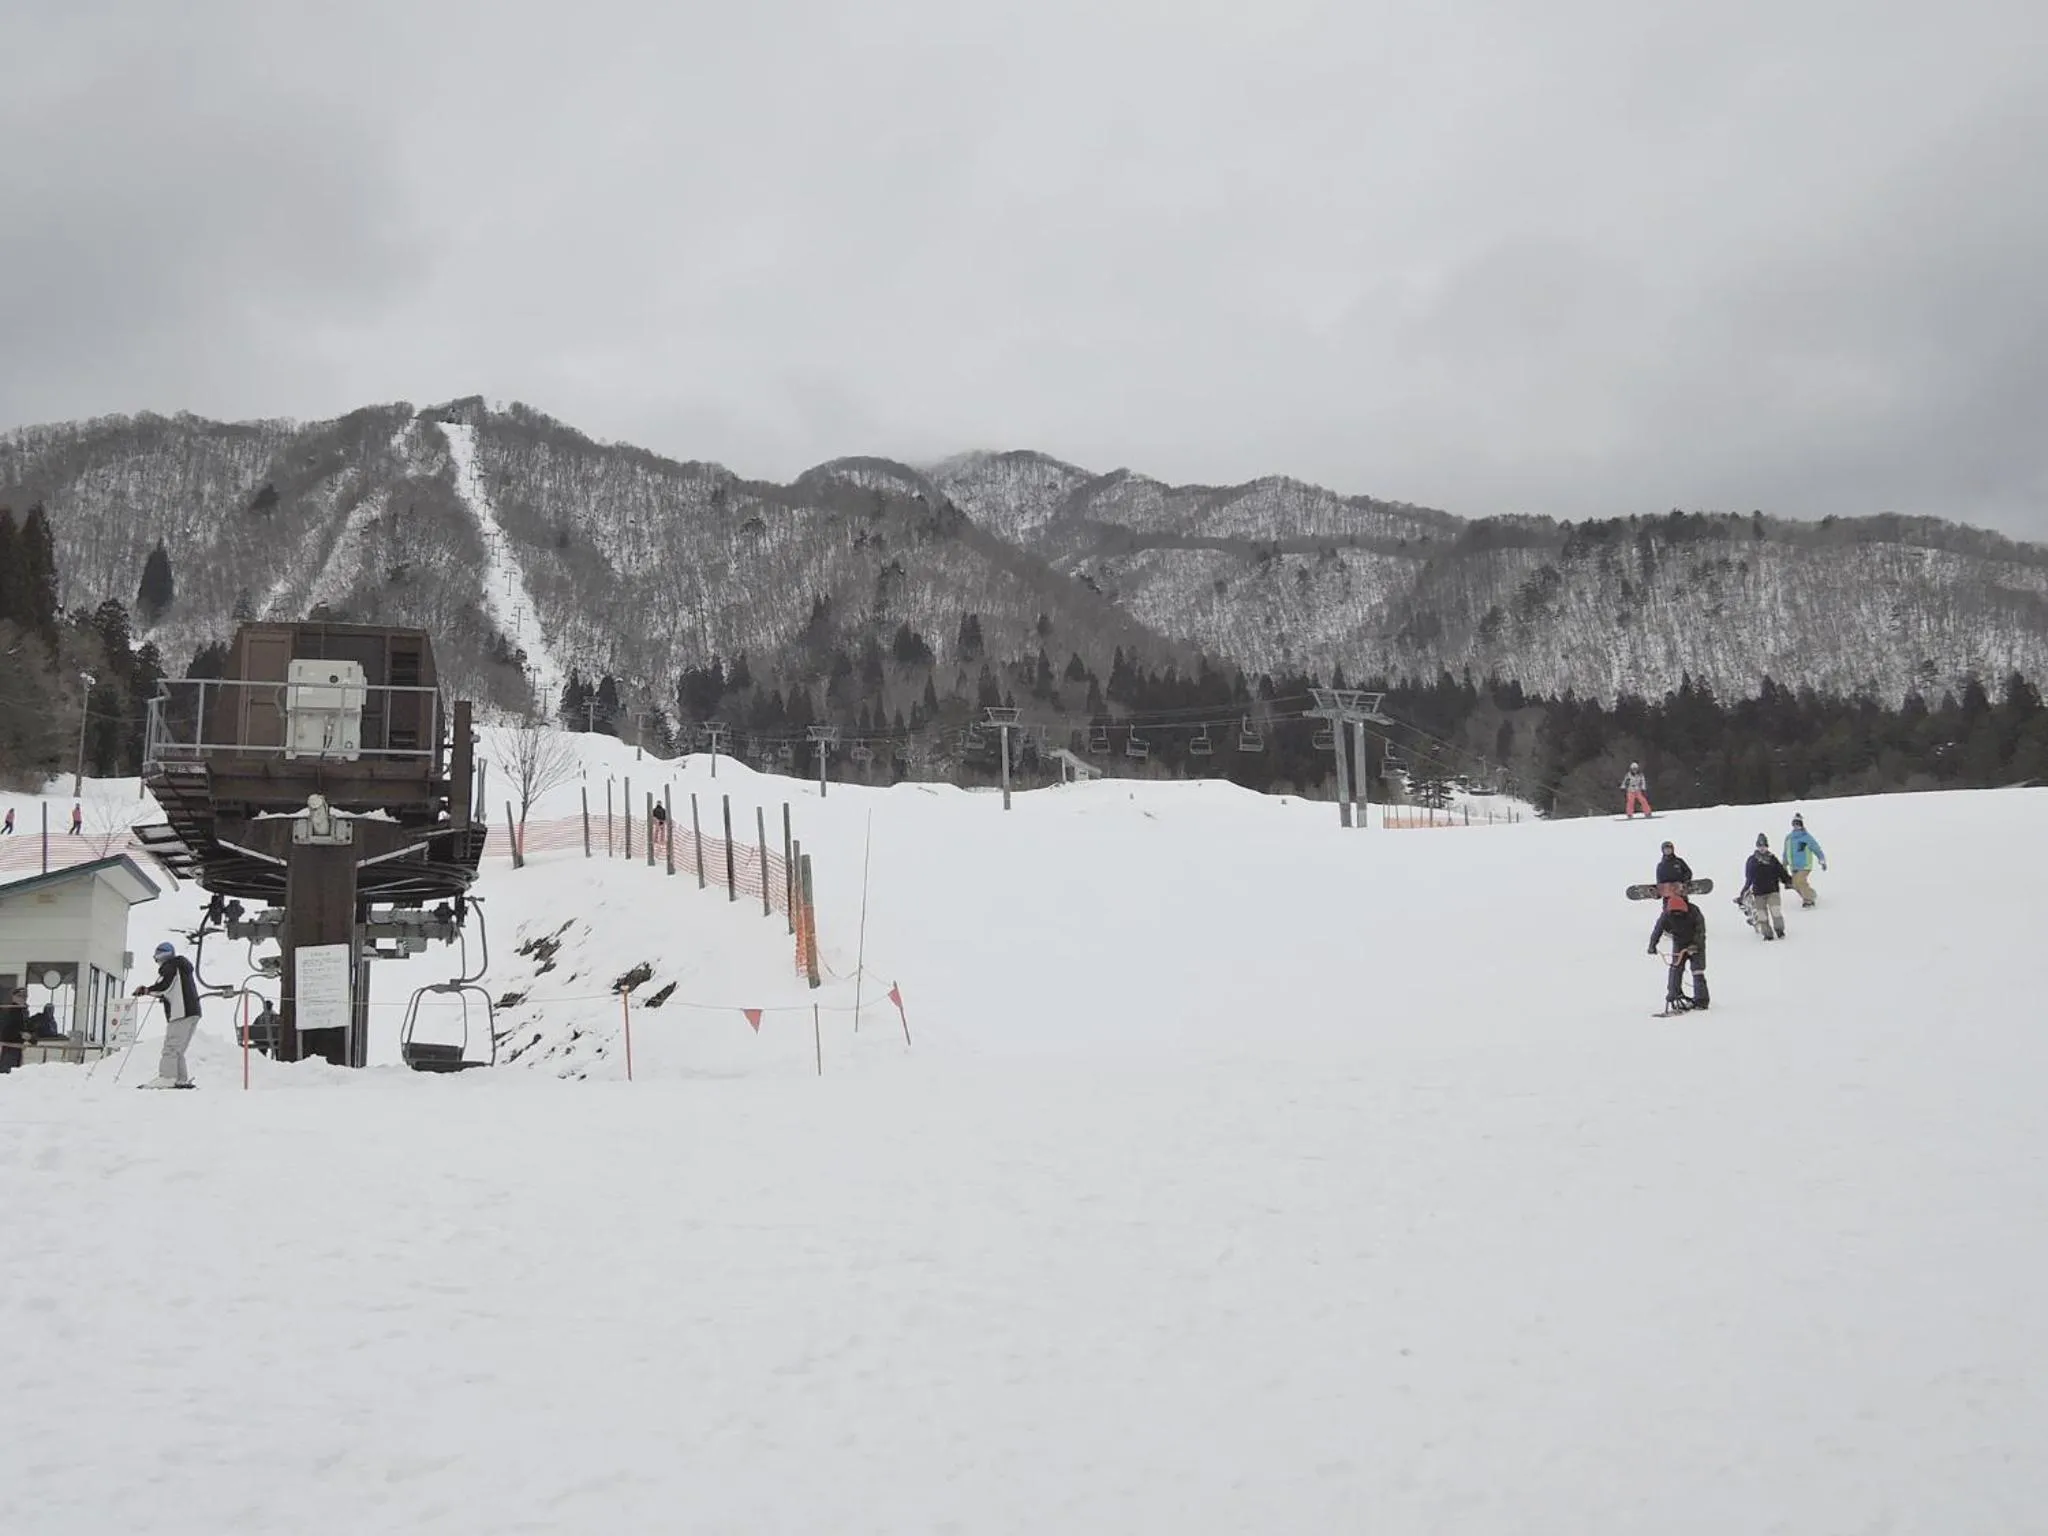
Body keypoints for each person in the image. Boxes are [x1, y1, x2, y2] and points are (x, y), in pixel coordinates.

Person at [132, 940, 201, 1089]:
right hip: (193, 1011)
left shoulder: (170, 967)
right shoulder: (182, 967)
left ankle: (167, 1077)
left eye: (156, 957)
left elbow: (164, 985)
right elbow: (170, 988)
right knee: (178, 1049)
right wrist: (157, 994)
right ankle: (180, 1079)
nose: (156, 961)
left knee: (171, 1047)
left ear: (161, 956)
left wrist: (146, 990)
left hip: (180, 1012)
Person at [1647, 884, 1709, 1013]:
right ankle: (1674, 994)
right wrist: (1652, 944)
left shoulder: (1694, 911)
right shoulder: (1666, 915)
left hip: (1696, 944)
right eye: (1674, 914)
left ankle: (1701, 1000)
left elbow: (1700, 931)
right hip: (1679, 943)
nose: (1677, 915)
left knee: (1697, 971)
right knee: (1675, 968)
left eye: (1679, 913)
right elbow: (1658, 929)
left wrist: (1695, 945)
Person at [1740, 833, 1793, 940]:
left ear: (1767, 846)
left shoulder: (1772, 859)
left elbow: (1781, 871)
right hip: (1759, 893)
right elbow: (1749, 877)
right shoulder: (1752, 860)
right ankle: (1767, 934)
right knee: (1762, 915)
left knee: (1775, 910)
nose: (1762, 848)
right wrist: (1744, 890)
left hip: (1773, 891)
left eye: (1764, 846)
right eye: (1760, 846)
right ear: (1757, 847)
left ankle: (1780, 930)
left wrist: (1788, 881)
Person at [1782, 813, 1827, 908]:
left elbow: (1816, 849)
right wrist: (1784, 864)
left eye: (1798, 824)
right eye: (1795, 824)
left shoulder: (1806, 837)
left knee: (1800, 881)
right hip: (1793, 866)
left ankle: (1809, 900)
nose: (1796, 826)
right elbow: (1786, 852)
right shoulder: (1789, 838)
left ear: (1801, 825)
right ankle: (1811, 894)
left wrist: (1822, 860)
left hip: (1805, 865)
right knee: (1795, 884)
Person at [0, 986, 27, 1074]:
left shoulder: (22, 1012)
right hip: (9, 1048)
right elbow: (5, 1032)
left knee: (14, 1075)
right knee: (7, 1074)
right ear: (13, 997)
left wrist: (31, 1036)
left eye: (25, 996)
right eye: (20, 996)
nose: (22, 998)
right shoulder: (9, 1011)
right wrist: (21, 1034)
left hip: (17, 1048)